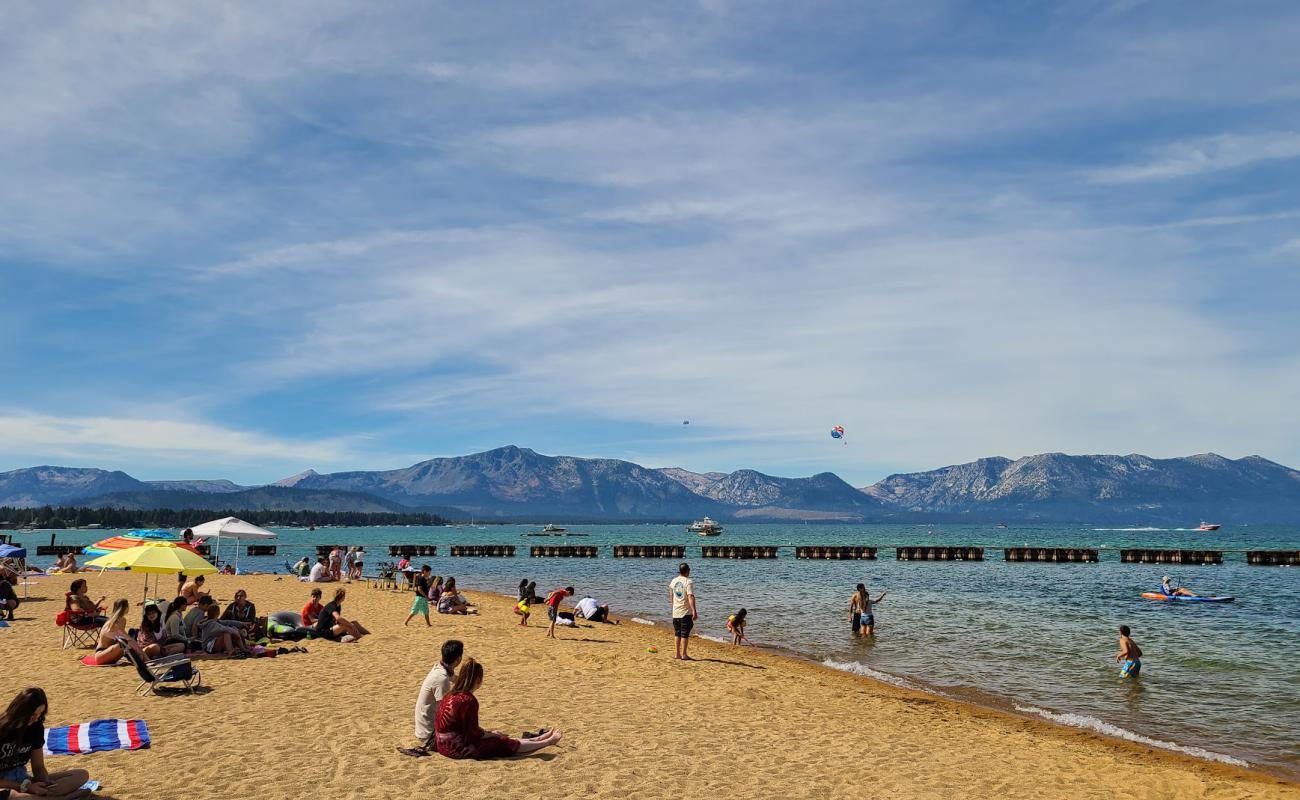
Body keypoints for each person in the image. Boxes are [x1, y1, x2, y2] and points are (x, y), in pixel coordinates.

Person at [433, 659, 562, 760]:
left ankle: (538, 739)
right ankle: (547, 742)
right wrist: (492, 734)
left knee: (498, 737)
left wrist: (489, 733)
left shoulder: (451, 694)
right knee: (502, 743)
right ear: (478, 681)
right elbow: (472, 735)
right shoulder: (468, 700)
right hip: (456, 748)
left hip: (442, 744)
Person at [0, 688, 92, 800]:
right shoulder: (2, 729)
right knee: (12, 795)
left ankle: (45, 797)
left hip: (22, 778)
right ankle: (67, 797)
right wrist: (25, 787)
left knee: (81, 775)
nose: (35, 719)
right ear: (21, 710)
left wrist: (45, 783)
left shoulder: (35, 727)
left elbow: (38, 766)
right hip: (5, 784)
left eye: (39, 714)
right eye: (33, 714)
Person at [414, 640, 463, 747]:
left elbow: (455, 679)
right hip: (429, 735)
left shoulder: (440, 668)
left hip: (424, 729)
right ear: (459, 659)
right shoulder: (442, 679)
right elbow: (446, 711)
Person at [91, 599, 137, 665]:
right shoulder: (114, 623)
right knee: (125, 643)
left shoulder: (123, 620)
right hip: (101, 655)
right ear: (124, 608)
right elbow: (129, 639)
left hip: (112, 652)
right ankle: (143, 658)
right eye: (128, 606)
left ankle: (141, 657)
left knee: (128, 640)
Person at [669, 563, 698, 661]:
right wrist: (694, 611)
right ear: (687, 571)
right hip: (685, 612)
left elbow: (671, 596)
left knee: (677, 633)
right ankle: (684, 654)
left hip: (675, 611)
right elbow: (690, 596)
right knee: (684, 634)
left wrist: (674, 606)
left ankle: (677, 654)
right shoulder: (688, 582)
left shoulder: (673, 581)